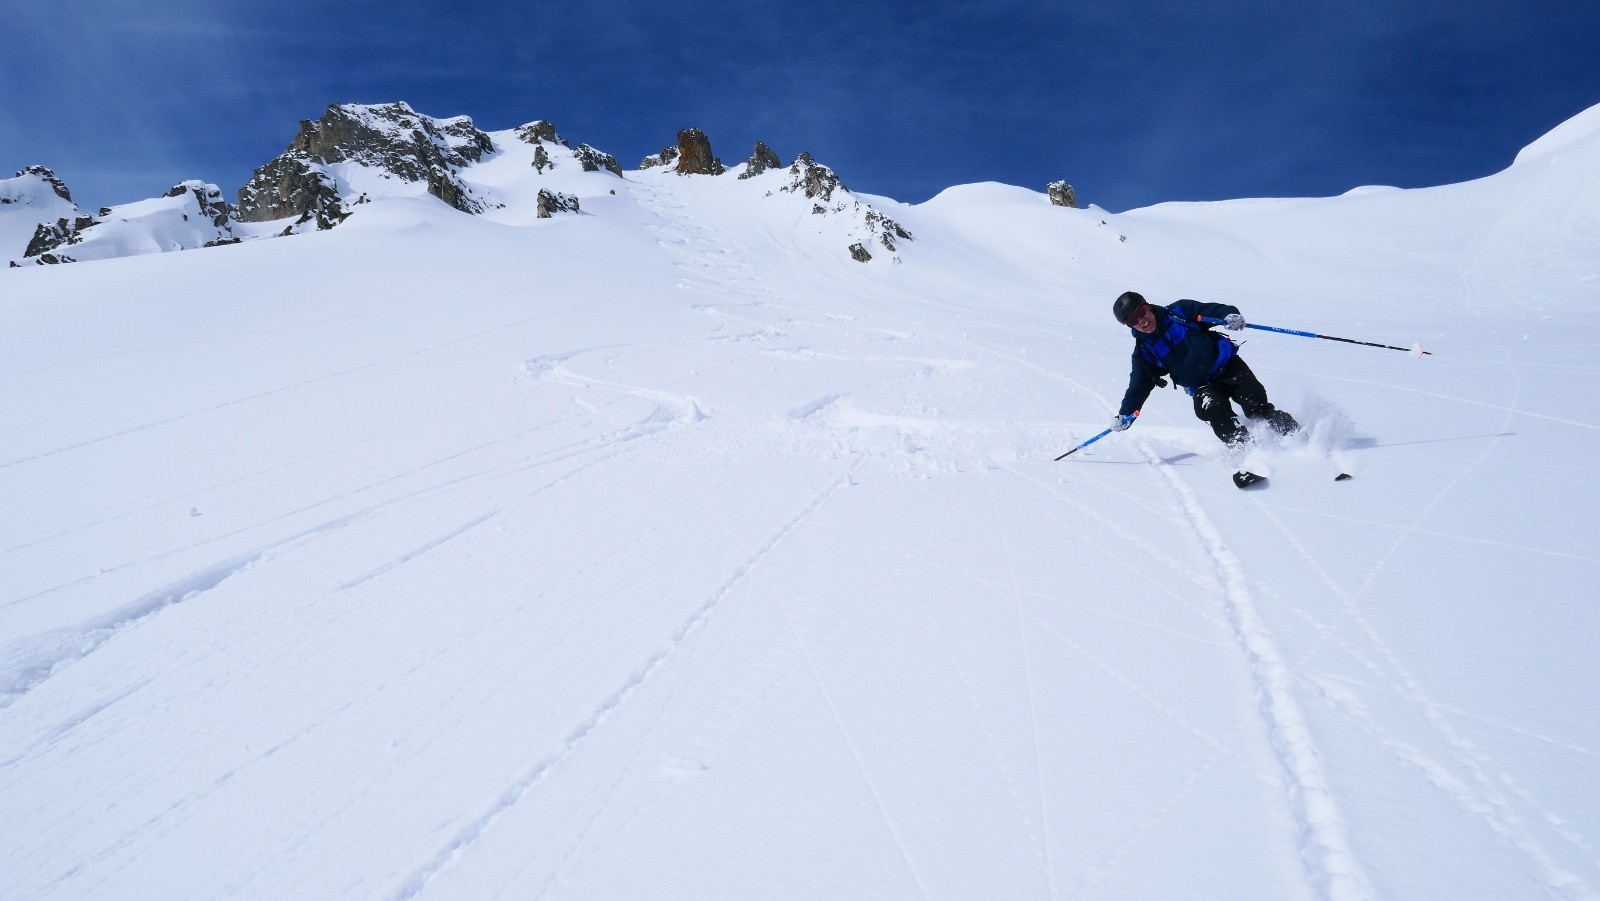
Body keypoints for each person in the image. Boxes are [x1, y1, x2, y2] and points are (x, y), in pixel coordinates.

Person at [1110, 291, 1299, 447]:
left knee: (1256, 407)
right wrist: (1126, 414)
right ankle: (1249, 452)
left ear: (1147, 306)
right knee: (1216, 411)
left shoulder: (1179, 312)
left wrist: (1229, 315)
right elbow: (1138, 387)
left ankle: (1297, 437)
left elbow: (1212, 310)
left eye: (1141, 313)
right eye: (1133, 321)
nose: (1141, 322)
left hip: (1228, 367)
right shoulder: (1144, 352)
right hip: (1201, 387)